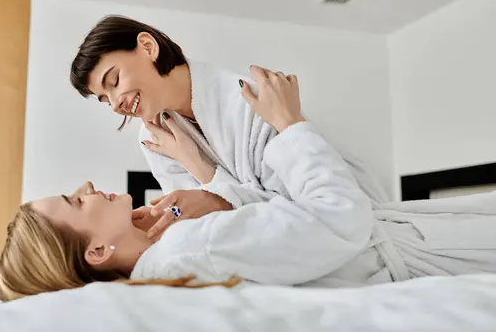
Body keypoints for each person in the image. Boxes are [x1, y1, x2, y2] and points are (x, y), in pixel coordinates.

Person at [0, 67, 496, 302]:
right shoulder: (189, 249)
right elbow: (341, 217)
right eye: (73, 200)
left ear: (147, 49)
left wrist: (207, 187)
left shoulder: (171, 245)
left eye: (112, 84)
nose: (84, 185)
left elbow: (274, 227)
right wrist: (291, 125)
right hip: (427, 257)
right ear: (100, 249)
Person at [69, 16, 391, 240]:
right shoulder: (154, 138)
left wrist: (199, 168)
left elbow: (300, 215)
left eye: (114, 81)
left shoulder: (247, 99)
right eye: (103, 99)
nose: (114, 104)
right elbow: (199, 224)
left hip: (356, 219)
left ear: (148, 47)